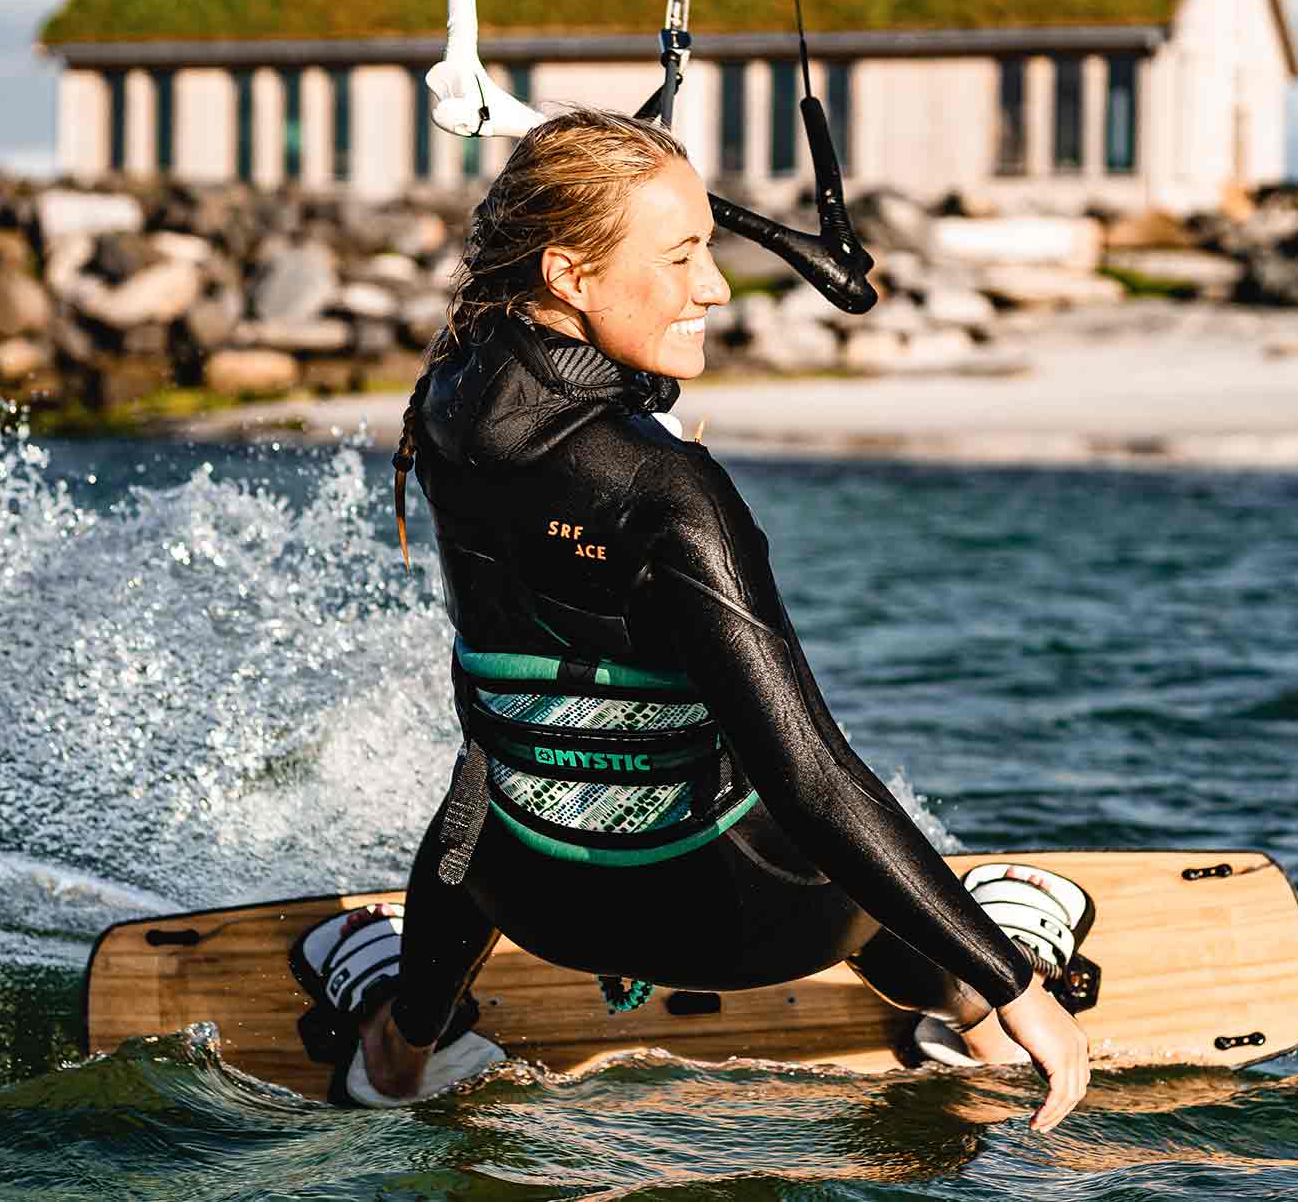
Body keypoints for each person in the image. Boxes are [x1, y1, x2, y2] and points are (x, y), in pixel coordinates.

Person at [300, 108, 1090, 1132]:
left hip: (525, 897)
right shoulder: (671, 495)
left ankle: (401, 1045)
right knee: (834, 833)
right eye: (681, 257)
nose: (714, 286)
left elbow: (561, 239)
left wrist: (643, 177)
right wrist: (1011, 976)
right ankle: (975, 1018)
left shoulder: (448, 390)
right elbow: (813, 781)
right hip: (739, 922)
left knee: (493, 760)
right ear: (570, 275)